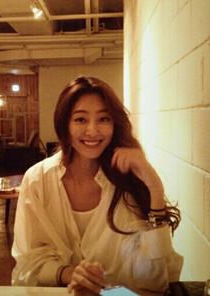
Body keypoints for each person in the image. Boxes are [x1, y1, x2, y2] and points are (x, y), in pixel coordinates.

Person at [12, 76, 182, 293]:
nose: (92, 131)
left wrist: (155, 187)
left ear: (114, 124)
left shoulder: (127, 180)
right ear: (65, 124)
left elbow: (158, 280)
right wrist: (68, 273)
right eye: (80, 119)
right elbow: (26, 266)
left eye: (103, 119)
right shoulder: (38, 180)